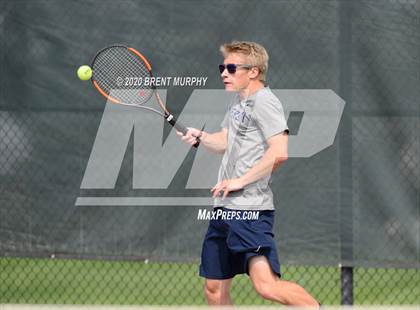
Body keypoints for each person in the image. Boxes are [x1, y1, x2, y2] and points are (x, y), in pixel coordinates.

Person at [177, 41, 320, 307]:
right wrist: (202, 137)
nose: (224, 73)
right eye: (223, 67)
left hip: (250, 211)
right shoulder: (238, 103)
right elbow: (226, 141)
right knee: (214, 288)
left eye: (231, 68)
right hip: (223, 209)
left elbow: (279, 152)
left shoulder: (265, 102)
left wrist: (239, 181)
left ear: (253, 71)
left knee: (266, 287)